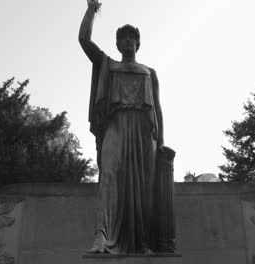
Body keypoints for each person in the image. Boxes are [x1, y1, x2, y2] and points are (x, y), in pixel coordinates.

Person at [79, 0, 165, 254]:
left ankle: (144, 242)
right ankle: (102, 236)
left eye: (132, 38)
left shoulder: (150, 72)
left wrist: (161, 146)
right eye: (123, 38)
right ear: (117, 44)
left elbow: (158, 110)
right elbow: (84, 40)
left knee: (144, 188)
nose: (128, 41)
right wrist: (92, 9)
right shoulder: (108, 64)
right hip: (116, 124)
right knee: (108, 175)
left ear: (138, 43)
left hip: (144, 130)